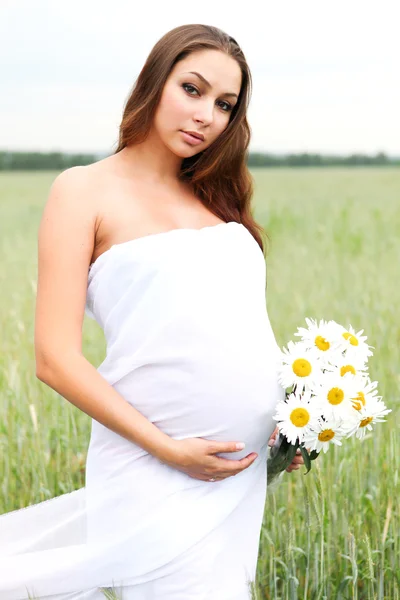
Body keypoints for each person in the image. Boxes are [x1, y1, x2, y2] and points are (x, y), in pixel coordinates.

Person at [0, 23, 304, 600]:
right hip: (151, 465)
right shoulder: (82, 190)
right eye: (192, 89)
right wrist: (169, 449)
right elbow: (54, 358)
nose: (206, 116)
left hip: (234, 476)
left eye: (225, 105)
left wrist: (287, 424)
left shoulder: (219, 198)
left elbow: (235, 326)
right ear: (154, 81)